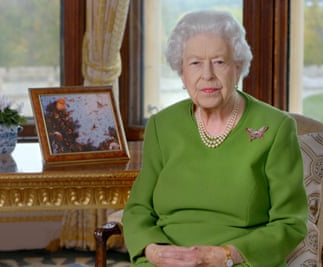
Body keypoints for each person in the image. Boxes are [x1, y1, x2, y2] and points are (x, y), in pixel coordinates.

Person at [121, 9, 308, 267]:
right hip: (165, 262)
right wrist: (155, 251)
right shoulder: (161, 126)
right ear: (181, 71)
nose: (207, 74)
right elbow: (138, 209)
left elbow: (291, 223)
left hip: (238, 262)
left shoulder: (276, 128)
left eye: (219, 61)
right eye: (195, 63)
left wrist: (226, 255)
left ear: (238, 67)